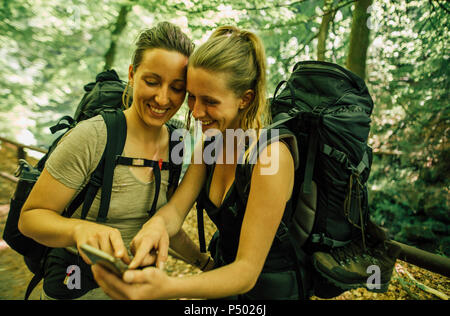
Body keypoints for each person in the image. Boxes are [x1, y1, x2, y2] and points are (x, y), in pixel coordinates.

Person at [92, 25, 304, 300]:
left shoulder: (270, 157)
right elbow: (176, 210)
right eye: (192, 96)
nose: (196, 111)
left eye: (210, 101)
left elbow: (247, 271)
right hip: (221, 281)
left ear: (245, 99)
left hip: (268, 291)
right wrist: (155, 227)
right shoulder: (211, 144)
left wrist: (166, 288)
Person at [18, 22, 212, 300]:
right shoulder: (93, 136)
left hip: (141, 285)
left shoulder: (177, 141)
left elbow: (164, 221)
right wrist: (78, 229)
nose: (163, 98)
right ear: (133, 75)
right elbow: (30, 219)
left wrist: (204, 263)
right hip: (77, 284)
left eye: (177, 88)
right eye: (152, 81)